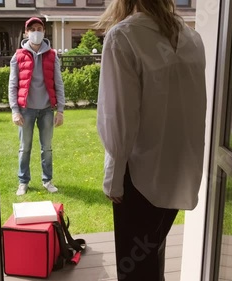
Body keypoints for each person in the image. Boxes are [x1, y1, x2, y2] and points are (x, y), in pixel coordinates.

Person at [95, 0, 207, 279]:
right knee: (152, 257)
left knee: (134, 270)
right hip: (178, 170)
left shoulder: (123, 37)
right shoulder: (191, 38)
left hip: (140, 176)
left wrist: (113, 177)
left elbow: (118, 116)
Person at [8, 17, 66, 196]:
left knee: (46, 148)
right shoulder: (18, 56)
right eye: (32, 29)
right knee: (24, 147)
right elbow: (13, 85)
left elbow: (58, 83)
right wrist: (15, 111)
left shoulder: (52, 55)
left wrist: (60, 110)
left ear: (44, 32)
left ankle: (47, 180)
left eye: (39, 28)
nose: (36, 31)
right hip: (26, 110)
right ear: (26, 33)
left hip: (47, 110)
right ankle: (23, 182)